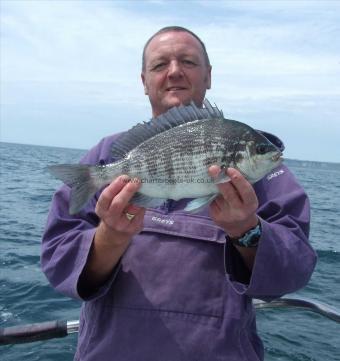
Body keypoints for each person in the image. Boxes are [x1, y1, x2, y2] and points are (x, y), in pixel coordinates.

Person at [41, 26, 317, 361]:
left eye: (187, 61)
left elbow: (295, 270)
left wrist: (248, 231)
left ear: (209, 76)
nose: (174, 71)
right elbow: (56, 259)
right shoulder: (108, 156)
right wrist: (109, 238)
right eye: (160, 65)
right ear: (144, 81)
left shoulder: (262, 172)